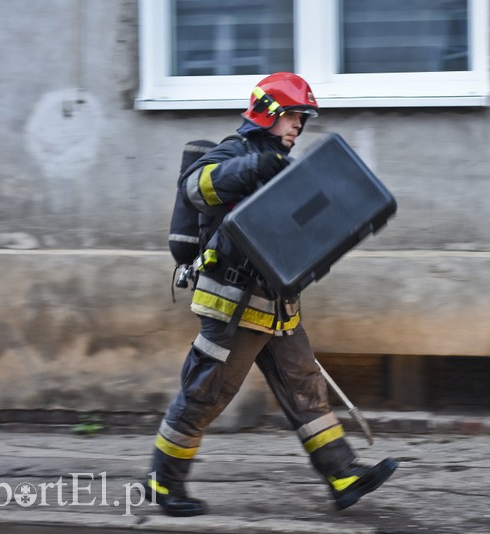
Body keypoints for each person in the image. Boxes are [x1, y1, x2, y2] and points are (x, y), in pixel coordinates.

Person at [145, 72, 398, 517]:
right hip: (234, 307)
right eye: (293, 116)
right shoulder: (236, 152)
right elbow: (195, 187)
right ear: (268, 113)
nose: (299, 125)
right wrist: (253, 168)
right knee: (205, 394)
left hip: (278, 306)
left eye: (303, 118)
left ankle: (342, 473)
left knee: (305, 389)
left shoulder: (282, 166)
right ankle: (163, 482)